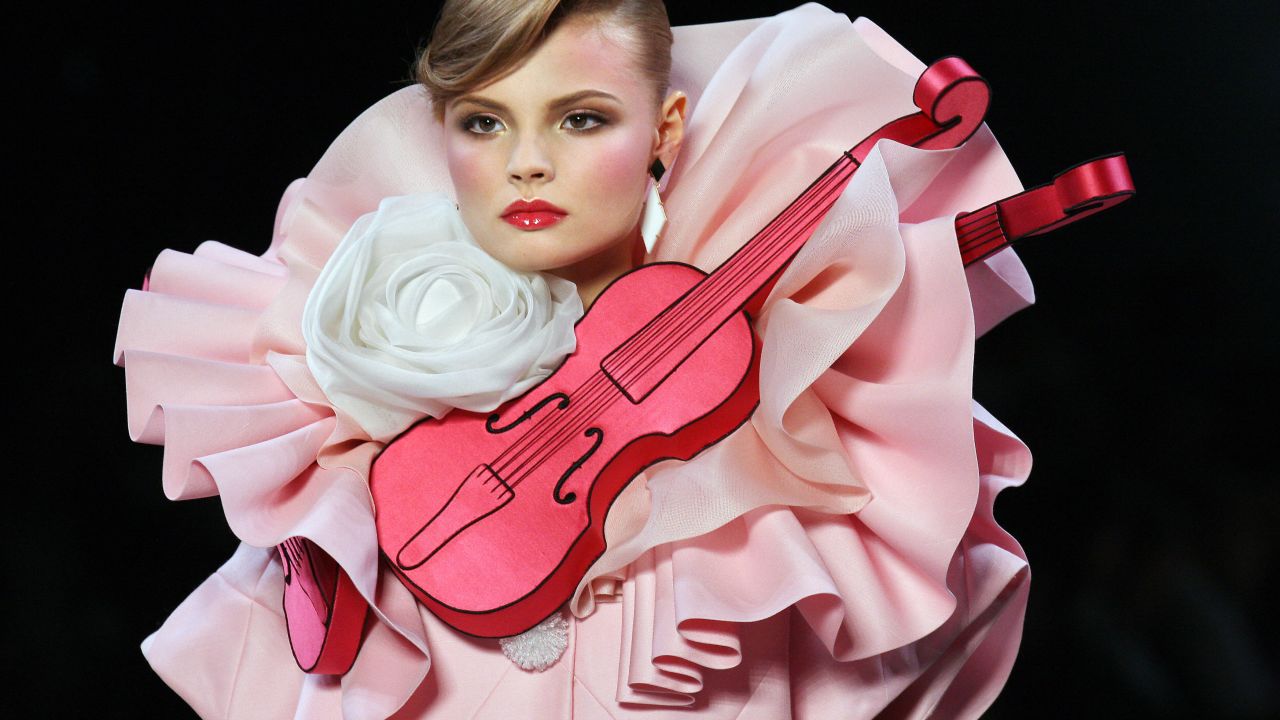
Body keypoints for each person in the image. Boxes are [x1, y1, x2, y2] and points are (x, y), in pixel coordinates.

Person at [114, 1, 1038, 717]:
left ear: (665, 132)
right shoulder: (364, 441)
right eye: (484, 122)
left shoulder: (784, 467)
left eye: (581, 119)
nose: (526, 163)